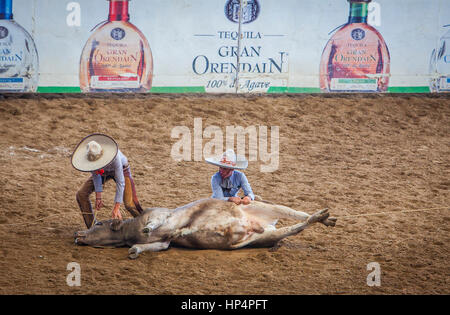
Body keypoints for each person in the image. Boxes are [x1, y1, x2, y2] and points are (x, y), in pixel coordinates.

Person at [71, 134, 143, 228]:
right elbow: (96, 175)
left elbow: (120, 182)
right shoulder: (91, 158)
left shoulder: (115, 157)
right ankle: (93, 227)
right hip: (102, 172)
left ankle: (145, 225)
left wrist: (116, 207)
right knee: (81, 194)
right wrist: (98, 197)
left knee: (129, 204)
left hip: (122, 170)